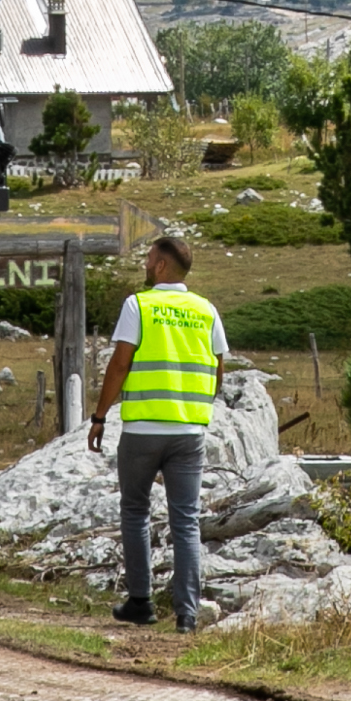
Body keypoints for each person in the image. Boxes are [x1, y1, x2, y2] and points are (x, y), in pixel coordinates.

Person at [86, 231, 227, 628]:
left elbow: (119, 365)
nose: (146, 264)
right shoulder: (206, 310)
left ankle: (141, 602)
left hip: (143, 430)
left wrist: (99, 417)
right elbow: (218, 369)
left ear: (162, 265)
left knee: (135, 511)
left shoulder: (139, 306)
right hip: (189, 431)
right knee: (185, 519)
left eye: (150, 258)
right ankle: (187, 615)